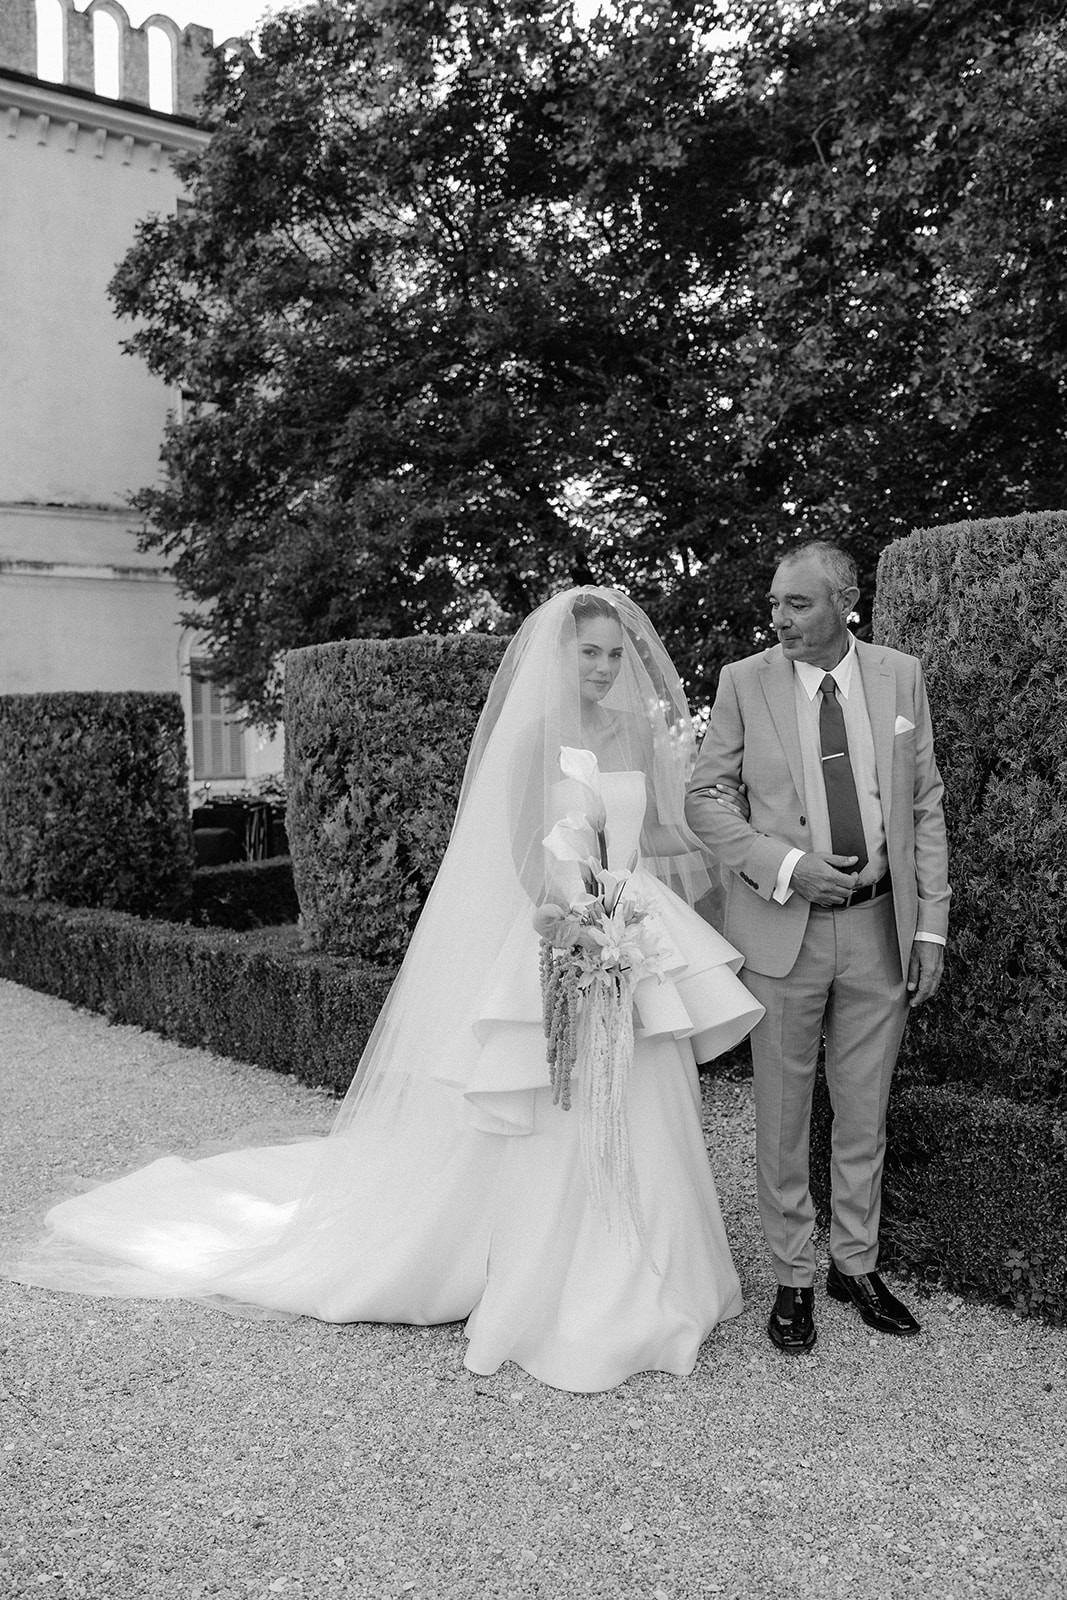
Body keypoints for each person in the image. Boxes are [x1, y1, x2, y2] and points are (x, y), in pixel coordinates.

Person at [6, 588, 764, 1393]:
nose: (606, 668)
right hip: (562, 937)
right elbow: (521, 858)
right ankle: (563, 1279)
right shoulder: (535, 740)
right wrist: (578, 927)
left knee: (649, 1092)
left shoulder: (636, 735)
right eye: (591, 653)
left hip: (631, 932)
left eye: (615, 654)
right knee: (563, 1102)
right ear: (559, 655)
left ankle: (662, 1268)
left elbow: (657, 832)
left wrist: (715, 872)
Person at [685, 542, 949, 1354]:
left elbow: (924, 803)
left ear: (844, 603)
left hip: (879, 925)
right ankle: (793, 1276)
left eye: (796, 604)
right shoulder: (743, 681)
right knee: (783, 1112)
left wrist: (928, 925)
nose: (779, 619)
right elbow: (702, 798)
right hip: (779, 930)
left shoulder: (899, 676)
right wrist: (789, 867)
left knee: (863, 1108)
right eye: (773, 604)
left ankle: (855, 1263)